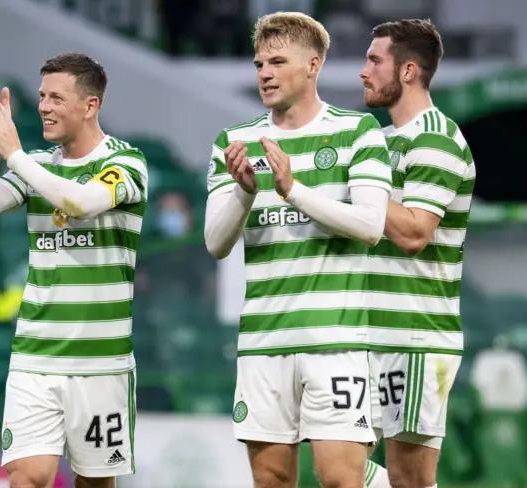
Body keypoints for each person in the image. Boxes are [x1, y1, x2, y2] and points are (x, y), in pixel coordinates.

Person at [204, 12, 392, 488]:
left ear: (313, 65)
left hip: (338, 340)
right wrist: (246, 191)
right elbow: (215, 243)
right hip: (264, 344)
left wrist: (294, 191)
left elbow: (371, 225)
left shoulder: (358, 131)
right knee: (270, 482)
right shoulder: (235, 143)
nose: (264, 72)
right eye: (259, 63)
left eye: (277, 61)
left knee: (340, 480)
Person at [0, 53, 148, 488]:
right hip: (35, 356)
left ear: (90, 106)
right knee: (29, 476)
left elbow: (79, 202)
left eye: (57, 97)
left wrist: (15, 154)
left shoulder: (127, 162)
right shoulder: (37, 166)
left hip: (102, 361)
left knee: (95, 483)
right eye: (42, 95)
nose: (44, 106)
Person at [360, 19, 476, 488]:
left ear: (407, 71)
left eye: (374, 60)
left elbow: (413, 233)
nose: (363, 72)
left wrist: (360, 188)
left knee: (409, 478)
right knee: (338, 463)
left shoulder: (437, 138)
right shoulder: (381, 142)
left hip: (415, 335)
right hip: (366, 331)